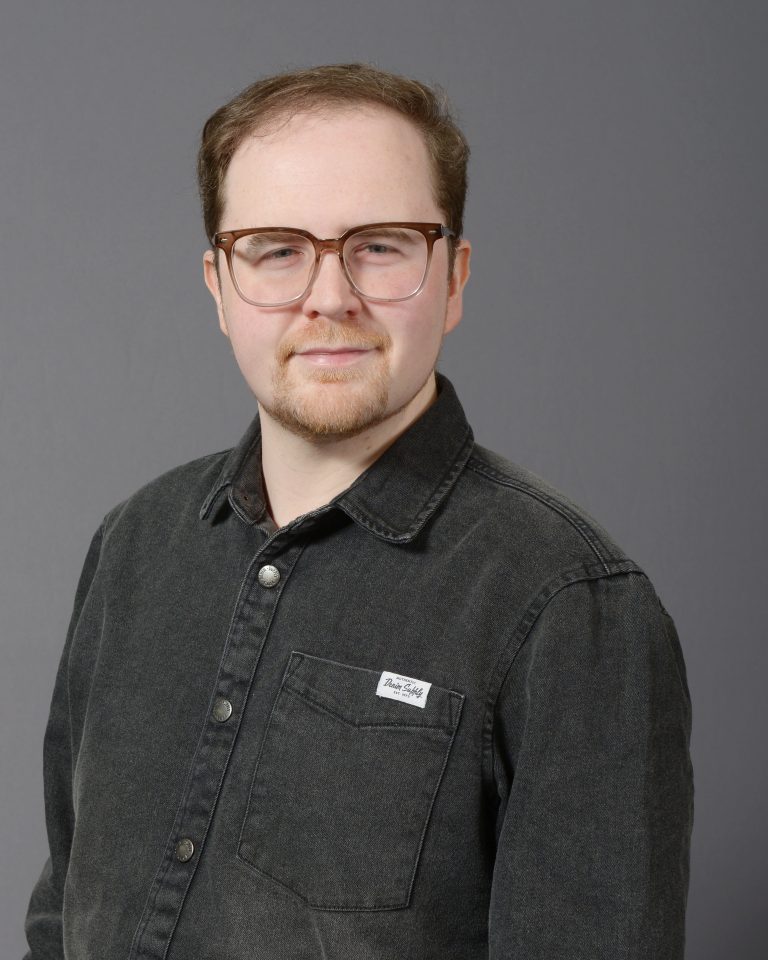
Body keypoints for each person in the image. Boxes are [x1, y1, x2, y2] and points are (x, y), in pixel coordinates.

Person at [24, 63, 693, 960]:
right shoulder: (135, 544)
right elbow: (61, 912)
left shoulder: (572, 606)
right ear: (219, 285)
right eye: (276, 249)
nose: (330, 296)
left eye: (379, 245)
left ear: (452, 277)